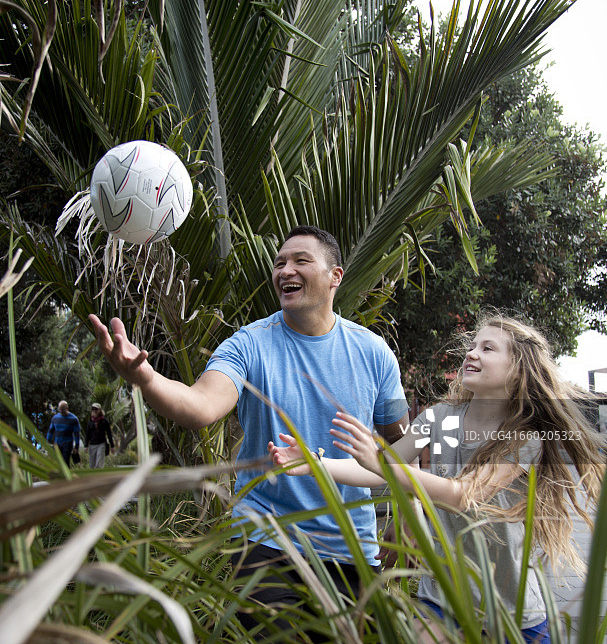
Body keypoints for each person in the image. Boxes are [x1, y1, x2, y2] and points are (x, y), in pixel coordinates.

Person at [89, 225, 409, 633]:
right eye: (279, 263)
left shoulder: (374, 352)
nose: (284, 270)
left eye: (300, 261)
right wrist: (147, 379)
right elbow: (200, 405)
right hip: (265, 538)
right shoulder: (249, 344)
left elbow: (401, 442)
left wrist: (409, 507)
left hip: (351, 544)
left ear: (335, 276)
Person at [270, 313, 606, 644]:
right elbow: (377, 469)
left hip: (511, 612)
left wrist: (380, 463)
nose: (472, 353)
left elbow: (464, 495)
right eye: (472, 346)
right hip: (441, 601)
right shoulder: (441, 419)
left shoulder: (523, 436)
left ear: (517, 369)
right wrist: (319, 464)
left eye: (488, 348)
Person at [46, 400, 81, 466]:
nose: (61, 411)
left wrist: (76, 447)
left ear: (67, 408)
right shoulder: (55, 418)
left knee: (65, 462)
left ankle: (66, 476)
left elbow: (77, 434)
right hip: (57, 444)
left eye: (62, 409)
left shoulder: (73, 419)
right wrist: (48, 441)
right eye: (60, 409)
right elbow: (51, 430)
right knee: (57, 463)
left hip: (67, 444)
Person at [85, 402, 115, 467]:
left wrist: (112, 446)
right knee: (92, 465)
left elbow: (109, 434)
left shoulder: (104, 421)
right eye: (93, 409)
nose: (94, 410)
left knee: (99, 463)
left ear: (100, 410)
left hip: (101, 444)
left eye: (96, 409)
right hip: (92, 444)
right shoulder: (90, 421)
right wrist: (86, 445)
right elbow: (87, 434)